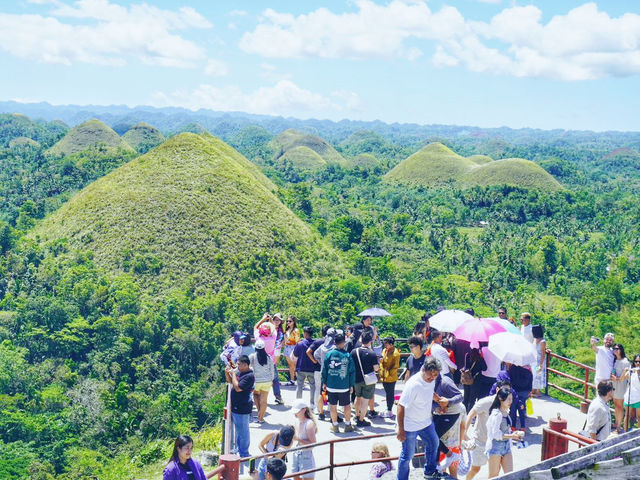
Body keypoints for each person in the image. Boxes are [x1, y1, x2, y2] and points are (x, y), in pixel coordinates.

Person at [396, 357, 442, 480]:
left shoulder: (431, 379)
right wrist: (401, 430)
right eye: (429, 376)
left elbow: (429, 390)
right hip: (410, 425)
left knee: (434, 443)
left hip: (426, 422)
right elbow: (400, 406)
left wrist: (437, 398)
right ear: (423, 370)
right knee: (407, 455)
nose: (432, 378)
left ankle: (430, 471)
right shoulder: (413, 385)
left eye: (435, 376)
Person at [486, 387, 524, 478]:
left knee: (510, 475)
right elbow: (495, 434)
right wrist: (512, 436)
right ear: (501, 399)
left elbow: (506, 428)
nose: (511, 401)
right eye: (508, 399)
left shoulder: (506, 411)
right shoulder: (496, 414)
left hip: (506, 447)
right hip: (495, 447)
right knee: (493, 476)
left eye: (511, 399)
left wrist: (514, 434)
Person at [322, 332, 356, 432]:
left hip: (331, 385)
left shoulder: (329, 354)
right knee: (346, 405)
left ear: (334, 342)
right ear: (343, 343)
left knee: (333, 406)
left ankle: (335, 426)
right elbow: (352, 371)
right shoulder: (347, 355)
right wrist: (351, 385)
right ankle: (348, 425)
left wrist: (324, 382)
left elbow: (325, 370)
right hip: (344, 385)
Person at [432, 369, 464, 474]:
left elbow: (460, 396)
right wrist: (435, 408)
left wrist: (448, 402)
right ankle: (437, 465)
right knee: (432, 437)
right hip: (439, 415)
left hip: (452, 416)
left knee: (434, 437)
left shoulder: (445, 382)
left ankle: (449, 455)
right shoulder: (428, 382)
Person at [225, 355, 254, 470]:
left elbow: (237, 388)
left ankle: (244, 453)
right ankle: (239, 450)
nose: (238, 366)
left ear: (246, 365)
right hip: (237, 406)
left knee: (243, 432)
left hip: (243, 407)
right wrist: (228, 373)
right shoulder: (240, 373)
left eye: (240, 364)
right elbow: (230, 382)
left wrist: (233, 375)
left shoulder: (249, 376)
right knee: (239, 431)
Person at [463, 394, 494, 480]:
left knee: (494, 471)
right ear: (498, 389)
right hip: (481, 441)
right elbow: (471, 414)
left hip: (495, 443)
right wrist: (464, 433)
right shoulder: (485, 402)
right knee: (475, 469)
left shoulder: (506, 403)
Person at [351, 331, 379, 428]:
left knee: (357, 397)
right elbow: (376, 368)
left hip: (356, 379)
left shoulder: (354, 351)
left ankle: (356, 415)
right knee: (365, 401)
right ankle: (361, 420)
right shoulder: (372, 353)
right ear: (370, 341)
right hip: (368, 380)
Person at [254, 314, 284, 406]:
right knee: (275, 379)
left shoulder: (259, 338)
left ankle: (257, 396)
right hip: (271, 361)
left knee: (257, 379)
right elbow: (274, 328)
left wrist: (262, 319)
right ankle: (278, 397)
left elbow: (255, 327)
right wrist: (270, 319)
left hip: (259, 362)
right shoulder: (273, 337)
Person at [313, 327, 338, 420]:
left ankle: (321, 413)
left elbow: (315, 354)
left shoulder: (322, 347)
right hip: (333, 373)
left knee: (321, 392)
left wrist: (321, 362)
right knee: (332, 393)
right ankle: (333, 415)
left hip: (323, 372)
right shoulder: (334, 348)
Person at [307, 325, 332, 419]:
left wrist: (315, 361)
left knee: (318, 389)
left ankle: (318, 408)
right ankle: (330, 407)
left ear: (322, 332)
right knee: (330, 390)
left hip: (318, 369)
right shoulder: (332, 344)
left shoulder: (318, 342)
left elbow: (308, 351)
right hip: (330, 370)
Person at [250, 340, 275, 423]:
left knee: (256, 395)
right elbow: (272, 370)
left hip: (256, 381)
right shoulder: (269, 357)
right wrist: (271, 380)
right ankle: (261, 418)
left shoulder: (252, 356)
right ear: (264, 348)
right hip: (267, 381)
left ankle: (259, 413)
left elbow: (248, 367)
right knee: (264, 400)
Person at [291, 400, 317, 480]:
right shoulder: (296, 421)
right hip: (296, 452)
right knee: (295, 477)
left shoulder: (309, 424)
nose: (295, 414)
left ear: (304, 410)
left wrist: (298, 439)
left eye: (297, 412)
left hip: (306, 455)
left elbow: (313, 444)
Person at [292, 326, 316, 409]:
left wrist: (295, 368)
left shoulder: (300, 343)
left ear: (305, 333)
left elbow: (295, 356)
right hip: (312, 368)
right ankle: (312, 404)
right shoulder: (315, 343)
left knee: (299, 386)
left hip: (301, 367)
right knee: (313, 386)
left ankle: (298, 403)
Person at [379, 336, 400, 419]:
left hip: (391, 377)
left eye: (386, 344)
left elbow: (395, 367)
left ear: (391, 345)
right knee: (387, 393)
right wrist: (381, 369)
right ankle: (388, 408)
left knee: (390, 393)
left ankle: (389, 410)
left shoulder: (396, 353)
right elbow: (382, 361)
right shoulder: (384, 351)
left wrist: (387, 374)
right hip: (384, 375)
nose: (385, 346)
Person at [611, 344, 630, 434]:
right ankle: (616, 423)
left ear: (621, 350)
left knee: (619, 406)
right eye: (614, 348)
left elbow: (626, 376)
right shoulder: (615, 360)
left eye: (617, 348)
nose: (615, 350)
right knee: (616, 405)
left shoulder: (625, 362)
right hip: (614, 385)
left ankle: (618, 427)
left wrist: (617, 379)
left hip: (621, 386)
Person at [507, 364, 532, 429]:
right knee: (522, 410)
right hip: (524, 393)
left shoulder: (512, 369)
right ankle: (523, 427)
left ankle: (513, 427)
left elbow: (509, 381)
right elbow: (530, 385)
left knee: (513, 410)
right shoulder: (528, 372)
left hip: (514, 393)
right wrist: (529, 392)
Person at [463, 348, 486, 413]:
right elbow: (485, 368)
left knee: (466, 397)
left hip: (466, 378)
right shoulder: (479, 358)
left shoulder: (467, 355)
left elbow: (465, 366)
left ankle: (463, 413)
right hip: (476, 380)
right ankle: (469, 414)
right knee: (472, 399)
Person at [623, 355, 640, 431]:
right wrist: (626, 371)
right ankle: (625, 433)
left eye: (639, 362)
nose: (638, 363)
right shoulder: (632, 370)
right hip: (630, 395)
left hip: (638, 397)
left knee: (639, 417)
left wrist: (638, 373)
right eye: (636, 361)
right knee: (627, 415)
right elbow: (622, 379)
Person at [284, 316, 300, 385]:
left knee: (295, 365)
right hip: (287, 347)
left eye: (290, 321)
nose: (288, 322)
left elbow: (297, 341)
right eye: (287, 321)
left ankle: (300, 381)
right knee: (290, 365)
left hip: (293, 347)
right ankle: (292, 380)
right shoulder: (287, 330)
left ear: (294, 322)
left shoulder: (296, 331)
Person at [531, 325, 547, 397]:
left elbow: (543, 353)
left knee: (539, 375)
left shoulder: (542, 341)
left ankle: (538, 392)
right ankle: (533, 390)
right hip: (534, 360)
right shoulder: (534, 340)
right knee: (534, 375)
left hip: (539, 361)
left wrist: (541, 364)